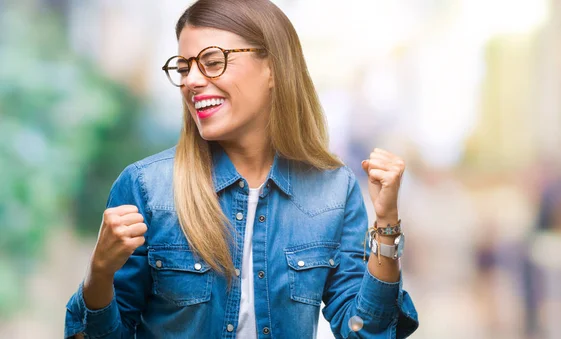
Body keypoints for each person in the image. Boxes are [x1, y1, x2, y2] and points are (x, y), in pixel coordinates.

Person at [64, 0, 418, 338]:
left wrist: (387, 226)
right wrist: (99, 273)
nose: (191, 81)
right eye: (185, 68)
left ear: (273, 68)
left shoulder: (333, 190)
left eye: (212, 61)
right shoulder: (146, 187)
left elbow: (366, 332)